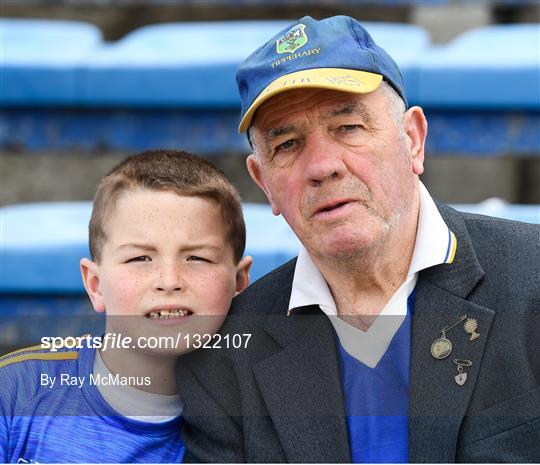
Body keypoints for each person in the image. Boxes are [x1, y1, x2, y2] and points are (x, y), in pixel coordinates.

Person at [176, 16, 540, 462]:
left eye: (348, 127)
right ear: (262, 180)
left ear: (413, 140)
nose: (323, 166)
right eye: (287, 144)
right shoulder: (225, 358)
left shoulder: (532, 278)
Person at [0, 150, 252, 463]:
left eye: (197, 257)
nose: (169, 280)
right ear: (95, 285)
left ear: (239, 282)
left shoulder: (260, 426)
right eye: (139, 258)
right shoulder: (14, 392)